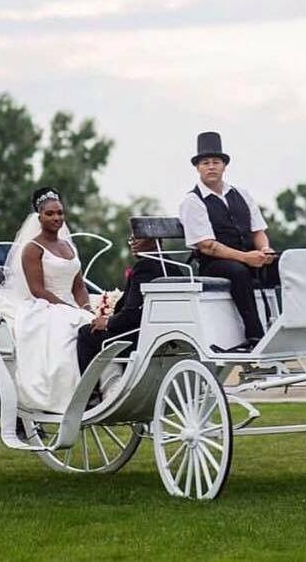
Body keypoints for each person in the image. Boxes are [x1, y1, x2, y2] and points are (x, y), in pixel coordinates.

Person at [0, 187, 95, 413]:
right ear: (39, 216)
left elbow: (79, 285)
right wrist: (68, 308)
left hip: (70, 304)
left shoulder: (68, 246)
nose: (56, 218)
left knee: (92, 323)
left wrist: (86, 307)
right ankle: (71, 393)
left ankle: (97, 384)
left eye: (60, 213)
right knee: (66, 341)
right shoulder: (33, 249)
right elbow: (37, 289)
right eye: (50, 214)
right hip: (45, 305)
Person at [178, 131, 276, 349]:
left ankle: (283, 325)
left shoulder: (241, 194)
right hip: (214, 264)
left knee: (282, 264)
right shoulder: (193, 201)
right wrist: (246, 258)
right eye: (205, 163)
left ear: (224, 166)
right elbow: (208, 246)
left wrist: (266, 250)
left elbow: (258, 231)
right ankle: (255, 335)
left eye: (216, 162)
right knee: (238, 271)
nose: (211, 166)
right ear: (198, 168)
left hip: (247, 256)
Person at [75, 232, 165, 401]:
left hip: (137, 337)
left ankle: (90, 396)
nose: (132, 243)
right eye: (131, 238)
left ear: (155, 239)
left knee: (86, 333)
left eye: (137, 238)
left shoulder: (144, 267)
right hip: (155, 333)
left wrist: (108, 322)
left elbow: (132, 313)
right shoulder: (172, 267)